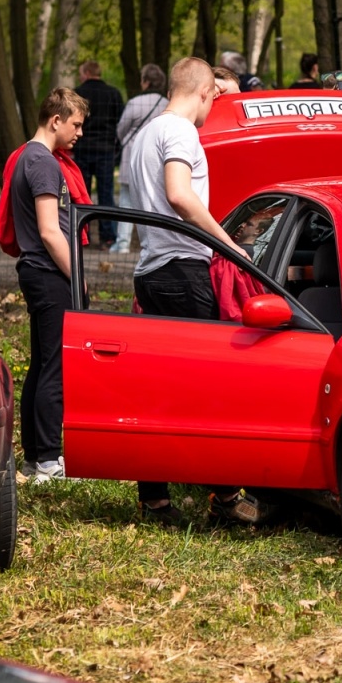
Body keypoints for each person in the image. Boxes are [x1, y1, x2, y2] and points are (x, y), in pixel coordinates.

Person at [125, 57, 243, 523]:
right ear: (205, 92)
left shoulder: (142, 136)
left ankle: (155, 498)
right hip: (181, 269)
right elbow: (178, 193)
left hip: (150, 270)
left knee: (159, 387)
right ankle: (228, 499)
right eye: (215, 97)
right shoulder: (180, 131)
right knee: (206, 386)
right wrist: (227, 242)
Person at [9, 87, 89, 482]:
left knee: (42, 364)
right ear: (55, 120)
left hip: (35, 271)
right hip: (47, 271)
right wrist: (80, 279)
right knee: (54, 368)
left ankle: (35, 457)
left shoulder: (29, 156)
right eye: (75, 124)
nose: (79, 133)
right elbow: (50, 231)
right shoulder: (43, 164)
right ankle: (47, 461)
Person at [114, 63, 169, 254]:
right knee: (154, 203)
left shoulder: (134, 103)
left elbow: (121, 130)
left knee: (126, 202)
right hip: (157, 160)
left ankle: (122, 244)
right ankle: (156, 245)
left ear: (145, 81)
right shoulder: (166, 104)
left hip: (131, 157)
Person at [71, 60, 124, 248]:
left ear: (86, 73)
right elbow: (121, 123)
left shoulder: (77, 93)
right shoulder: (113, 94)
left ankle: (81, 235)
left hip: (82, 148)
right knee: (106, 195)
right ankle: (107, 237)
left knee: (80, 195)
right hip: (106, 150)